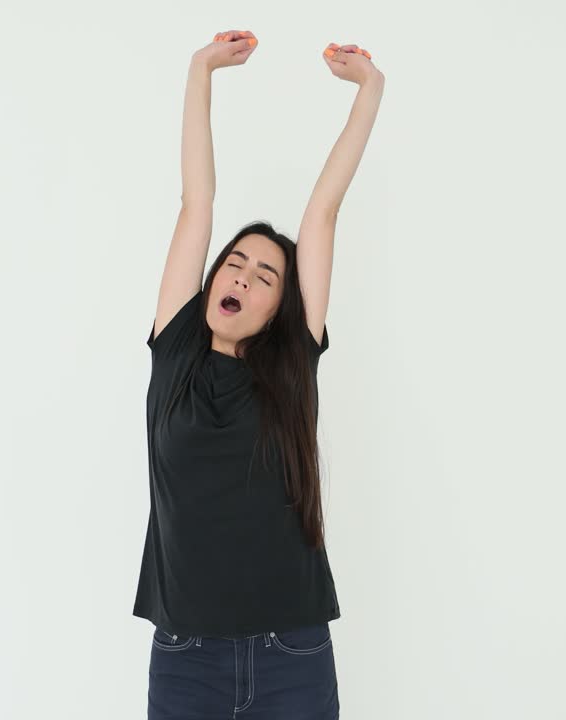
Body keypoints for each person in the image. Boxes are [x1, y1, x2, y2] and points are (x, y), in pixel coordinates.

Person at [134, 29, 383, 719]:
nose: (242, 273)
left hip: (292, 655)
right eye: (235, 263)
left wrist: (369, 91)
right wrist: (200, 70)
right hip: (187, 660)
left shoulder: (294, 364)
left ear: (281, 307)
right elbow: (196, 203)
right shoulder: (176, 351)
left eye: (266, 273)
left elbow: (322, 210)